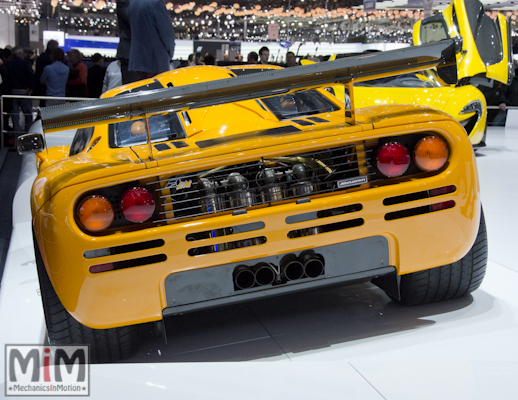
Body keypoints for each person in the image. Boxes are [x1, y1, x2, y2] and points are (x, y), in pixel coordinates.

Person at [128, 0, 176, 81]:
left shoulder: (132, 3)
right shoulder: (156, 3)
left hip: (138, 60)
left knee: (140, 90)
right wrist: (170, 52)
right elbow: (167, 33)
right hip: (156, 60)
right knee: (157, 91)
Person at [5, 47, 34, 137]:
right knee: (28, 115)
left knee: (15, 117)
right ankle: (27, 135)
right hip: (24, 92)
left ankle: (16, 137)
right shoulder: (25, 63)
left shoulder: (8, 64)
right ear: (20, 53)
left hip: (12, 92)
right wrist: (31, 88)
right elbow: (31, 76)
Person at [116, 0, 136, 84]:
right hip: (129, 53)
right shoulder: (123, 1)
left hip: (144, 53)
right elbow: (133, 19)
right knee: (130, 88)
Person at [34, 39, 59, 106]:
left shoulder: (41, 57)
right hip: (50, 86)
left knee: (42, 104)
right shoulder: (52, 59)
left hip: (41, 85)